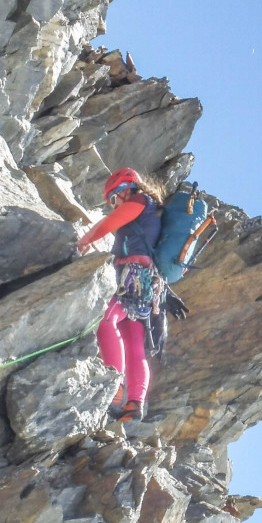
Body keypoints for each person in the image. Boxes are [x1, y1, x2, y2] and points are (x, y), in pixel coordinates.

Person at [77, 167, 166, 424]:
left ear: (125, 188)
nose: (113, 204)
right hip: (146, 282)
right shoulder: (152, 209)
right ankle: (134, 405)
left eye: (113, 198)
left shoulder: (140, 200)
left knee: (105, 321)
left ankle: (113, 391)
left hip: (131, 275)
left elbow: (110, 223)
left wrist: (86, 239)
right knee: (133, 341)